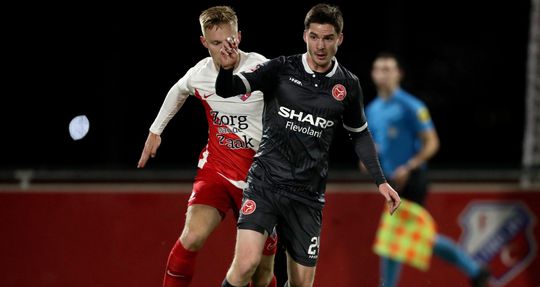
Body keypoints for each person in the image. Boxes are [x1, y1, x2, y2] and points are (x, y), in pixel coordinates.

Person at [215, 4, 401, 287]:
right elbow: (228, 89)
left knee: (302, 283)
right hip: (267, 182)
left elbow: (359, 134)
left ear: (340, 38)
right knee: (246, 265)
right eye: (314, 36)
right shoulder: (280, 68)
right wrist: (226, 70)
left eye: (328, 38)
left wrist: (381, 181)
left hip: (307, 195)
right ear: (305, 36)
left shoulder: (348, 86)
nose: (320, 45)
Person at [137, 6, 278, 287]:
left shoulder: (260, 68)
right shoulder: (200, 73)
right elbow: (178, 90)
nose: (224, 49)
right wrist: (156, 130)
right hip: (217, 170)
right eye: (215, 43)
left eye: (230, 41)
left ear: (239, 36)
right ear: (204, 43)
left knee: (260, 273)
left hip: (260, 179)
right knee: (192, 236)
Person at [365, 52, 490, 287]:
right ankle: (475, 271)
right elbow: (375, 145)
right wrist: (369, 160)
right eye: (378, 69)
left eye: (388, 69)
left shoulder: (411, 106)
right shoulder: (372, 110)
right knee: (410, 235)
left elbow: (432, 142)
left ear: (399, 74)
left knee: (393, 235)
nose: (382, 73)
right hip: (391, 182)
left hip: (412, 179)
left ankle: (388, 285)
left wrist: (409, 166)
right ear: (372, 74)